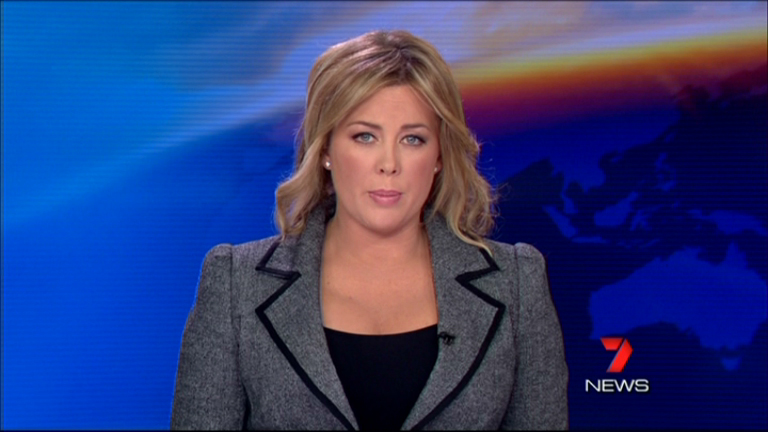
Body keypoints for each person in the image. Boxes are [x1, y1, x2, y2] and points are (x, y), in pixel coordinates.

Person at [171, 30, 568, 430]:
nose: (389, 163)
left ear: (439, 156)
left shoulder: (517, 284)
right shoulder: (236, 284)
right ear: (326, 149)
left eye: (413, 139)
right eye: (365, 136)